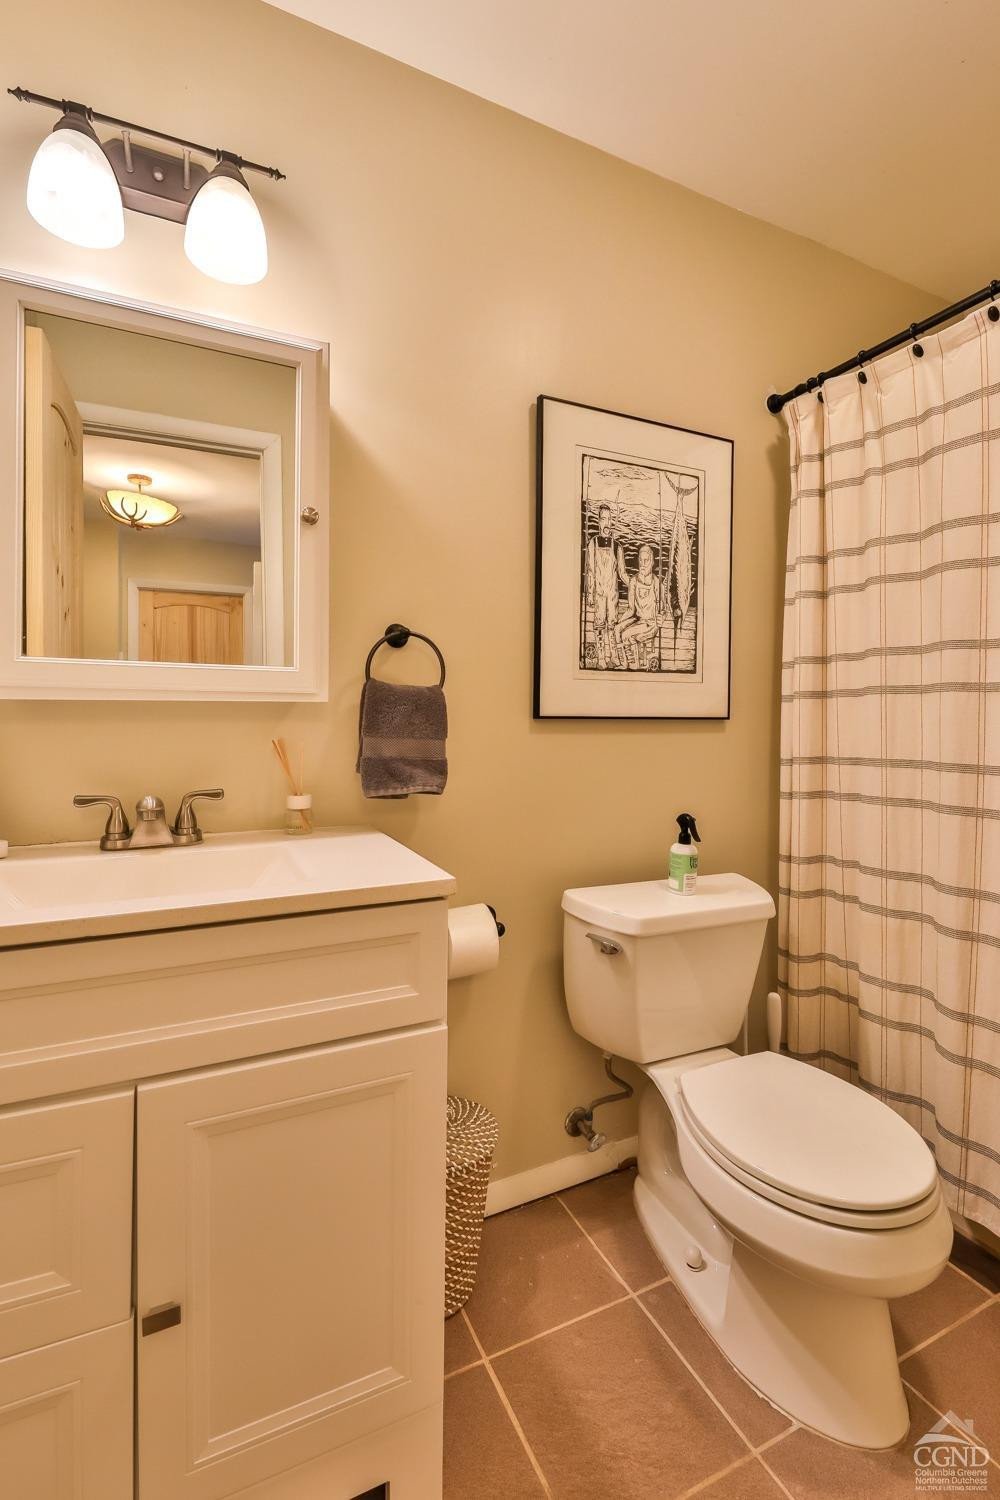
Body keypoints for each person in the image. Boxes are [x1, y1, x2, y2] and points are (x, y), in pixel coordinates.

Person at [585, 502, 628, 668]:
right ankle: (601, 657)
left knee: (612, 623)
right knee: (599, 623)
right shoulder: (593, 544)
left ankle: (613, 656)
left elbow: (623, 574)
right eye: (603, 519)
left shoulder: (618, 546)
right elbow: (590, 570)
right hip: (599, 592)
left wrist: (635, 584)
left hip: (612, 594)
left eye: (609, 519)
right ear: (598, 521)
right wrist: (590, 592)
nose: (607, 523)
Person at [615, 542, 661, 668]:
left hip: (650, 623)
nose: (643, 563)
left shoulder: (656, 583)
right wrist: (619, 620)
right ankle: (623, 663)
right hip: (638, 619)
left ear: (652, 562)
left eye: (646, 560)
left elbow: (663, 608)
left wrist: (662, 617)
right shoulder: (634, 581)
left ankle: (633, 664)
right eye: (640, 560)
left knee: (625, 635)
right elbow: (631, 609)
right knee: (617, 629)